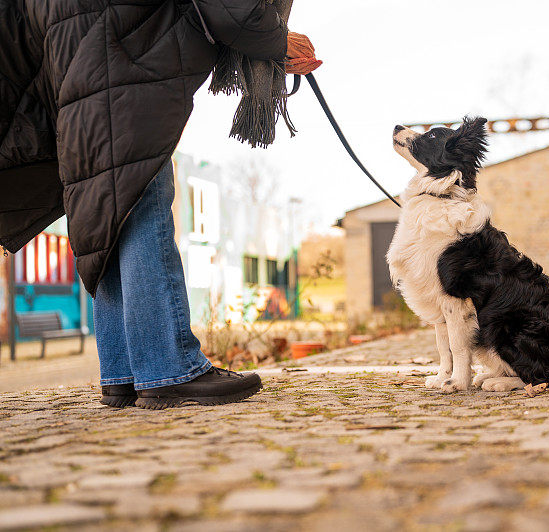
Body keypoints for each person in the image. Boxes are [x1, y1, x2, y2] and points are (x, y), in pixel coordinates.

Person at [0, 1, 320, 408]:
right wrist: (274, 39)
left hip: (71, 75)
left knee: (110, 210)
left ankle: (125, 370)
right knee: (142, 195)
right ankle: (168, 368)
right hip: (125, 66)